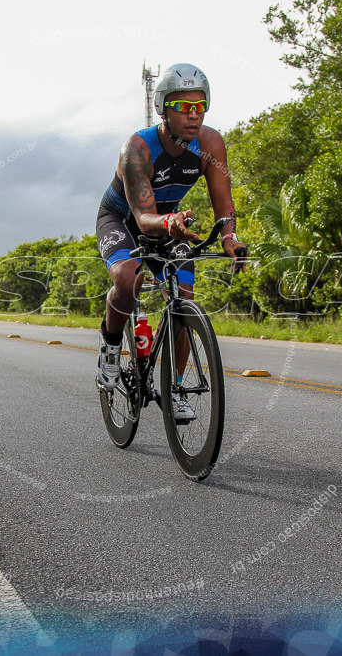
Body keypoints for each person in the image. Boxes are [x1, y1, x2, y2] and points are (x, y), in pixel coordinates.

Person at [95, 63, 246, 418]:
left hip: (170, 225)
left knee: (184, 298)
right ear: (163, 107)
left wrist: (230, 237)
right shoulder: (137, 148)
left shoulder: (210, 143)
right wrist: (167, 221)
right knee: (129, 279)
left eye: (200, 105)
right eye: (182, 106)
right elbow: (144, 220)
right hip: (124, 219)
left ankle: (175, 385)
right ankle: (111, 346)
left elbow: (223, 202)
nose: (193, 115)